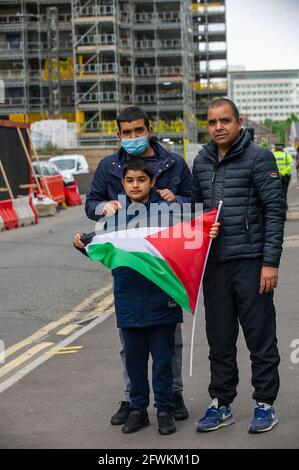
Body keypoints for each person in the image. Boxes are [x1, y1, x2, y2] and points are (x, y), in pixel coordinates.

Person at [74, 159, 220, 435]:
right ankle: (138, 409)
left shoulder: (169, 211)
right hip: (127, 296)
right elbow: (101, 246)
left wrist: (207, 231)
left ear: (152, 182)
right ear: (123, 184)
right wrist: (82, 243)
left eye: (141, 180)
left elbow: (191, 234)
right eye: (130, 181)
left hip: (161, 295)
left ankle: (165, 408)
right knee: (135, 361)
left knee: (164, 360)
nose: (135, 185)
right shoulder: (113, 216)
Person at [84, 106, 193, 424]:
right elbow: (92, 204)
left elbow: (193, 201)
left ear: (149, 129)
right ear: (118, 134)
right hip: (128, 266)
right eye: (126, 132)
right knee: (129, 341)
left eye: (138, 130)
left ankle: (171, 396)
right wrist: (104, 206)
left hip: (162, 262)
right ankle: (134, 399)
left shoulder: (173, 163)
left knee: (168, 338)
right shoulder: (109, 166)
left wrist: (177, 201)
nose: (133, 137)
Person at [192, 98, 285, 434]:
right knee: (219, 339)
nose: (218, 127)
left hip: (251, 263)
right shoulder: (201, 161)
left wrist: (270, 263)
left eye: (225, 121)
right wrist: (200, 225)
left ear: (239, 121)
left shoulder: (259, 158)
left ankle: (265, 404)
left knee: (260, 338)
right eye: (213, 122)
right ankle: (222, 403)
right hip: (214, 266)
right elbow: (195, 212)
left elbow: (275, 212)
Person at [273, 143, 293, 208]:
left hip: (274, 176)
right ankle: (284, 204)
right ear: (282, 149)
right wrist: (283, 173)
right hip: (285, 176)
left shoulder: (272, 155)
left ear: (275, 148)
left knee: (275, 192)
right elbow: (290, 166)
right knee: (284, 191)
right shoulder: (287, 155)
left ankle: (277, 206)